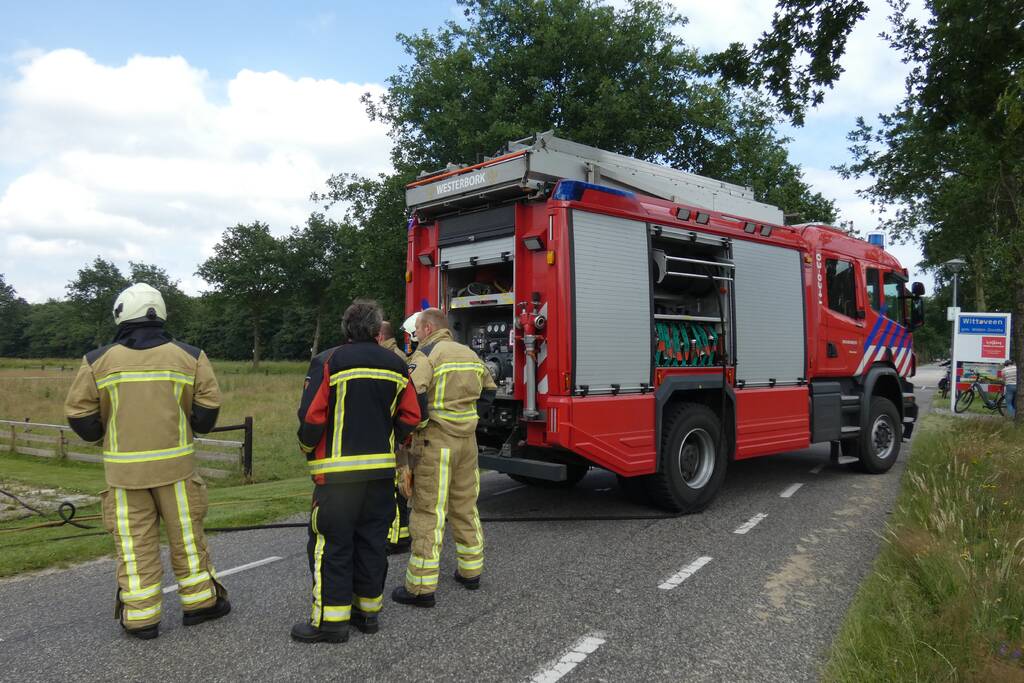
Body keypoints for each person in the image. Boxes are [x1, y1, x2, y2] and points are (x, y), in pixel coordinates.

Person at [63, 283, 229, 640]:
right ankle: (201, 603)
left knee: (134, 544)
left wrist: (103, 431)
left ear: (122, 314)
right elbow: (207, 413)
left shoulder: (97, 361)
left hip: (124, 475)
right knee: (186, 537)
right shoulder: (191, 356)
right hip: (178, 470)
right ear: (161, 313)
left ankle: (141, 618)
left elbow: (80, 416)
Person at [292, 300, 421, 643]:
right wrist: (395, 438)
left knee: (331, 544)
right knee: (371, 543)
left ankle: (330, 623)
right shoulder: (398, 365)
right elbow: (411, 417)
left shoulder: (329, 361)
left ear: (346, 328)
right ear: (378, 330)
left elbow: (310, 419)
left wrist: (308, 451)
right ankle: (368, 615)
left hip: (336, 478)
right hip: (380, 474)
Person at [392, 308, 497, 608]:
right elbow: (490, 391)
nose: (415, 336)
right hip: (468, 443)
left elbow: (413, 396)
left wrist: (418, 427)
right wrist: (470, 417)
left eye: (417, 330)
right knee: (465, 505)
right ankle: (470, 571)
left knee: (428, 511)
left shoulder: (426, 355)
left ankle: (421, 589)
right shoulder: (469, 354)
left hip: (436, 444)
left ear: (426, 328)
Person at [377, 320, 412, 554]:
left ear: (380, 336)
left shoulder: (393, 358)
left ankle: (398, 538)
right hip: (398, 431)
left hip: (397, 434)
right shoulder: (395, 355)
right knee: (397, 484)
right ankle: (399, 532)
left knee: (397, 486)